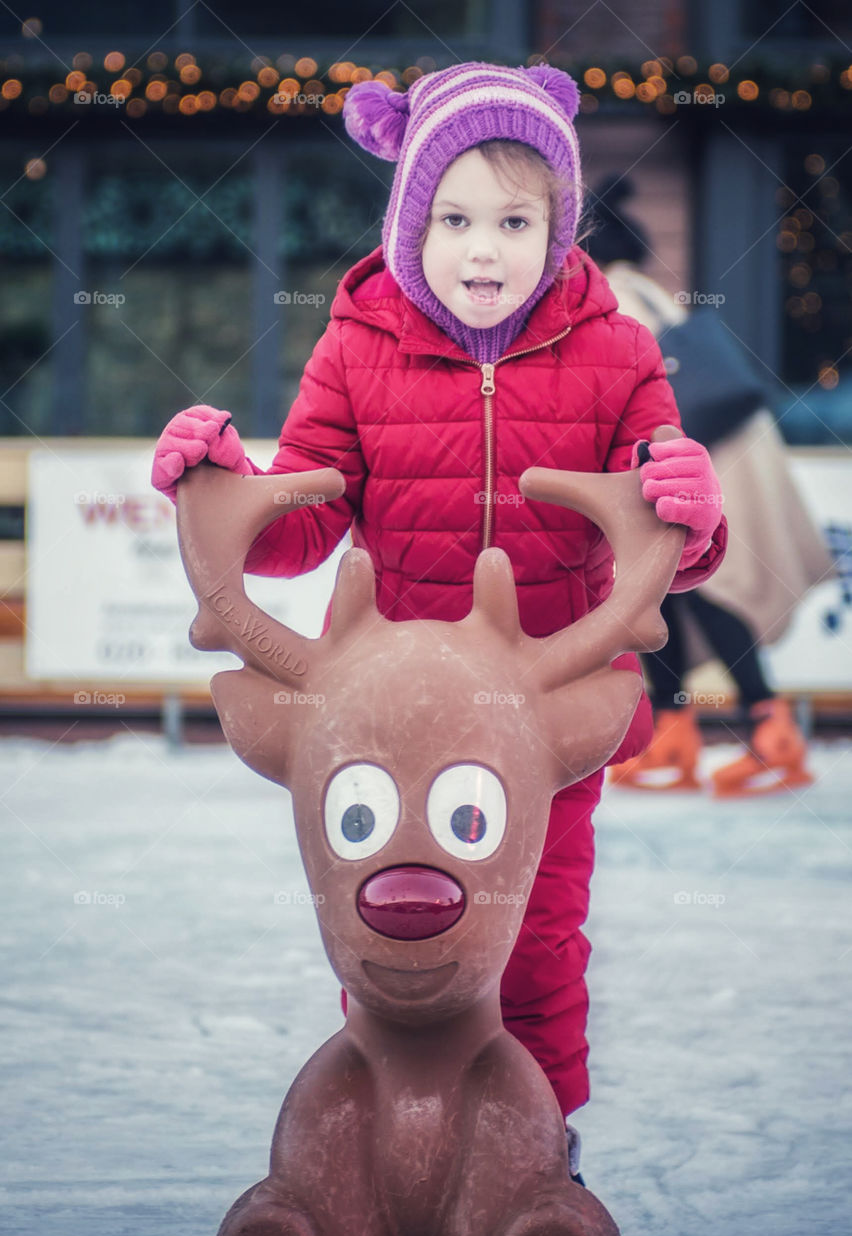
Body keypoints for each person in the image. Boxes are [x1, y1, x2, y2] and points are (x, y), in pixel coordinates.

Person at [152, 64, 727, 1173]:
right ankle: (394, 1143)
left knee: (536, 934)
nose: (483, 248)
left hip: (543, 714)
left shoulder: (617, 352)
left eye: (516, 220)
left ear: (559, 227)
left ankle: (537, 1153)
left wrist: (689, 515)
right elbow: (301, 523)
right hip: (386, 714)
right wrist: (229, 485)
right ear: (412, 223)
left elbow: (663, 542)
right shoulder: (356, 349)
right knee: (392, 926)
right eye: (455, 217)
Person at [585, 175, 832, 796]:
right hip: (709, 457)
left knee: (711, 591)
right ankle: (676, 730)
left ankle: (770, 730)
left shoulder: (614, 299)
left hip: (695, 464)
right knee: (665, 595)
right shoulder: (649, 292)